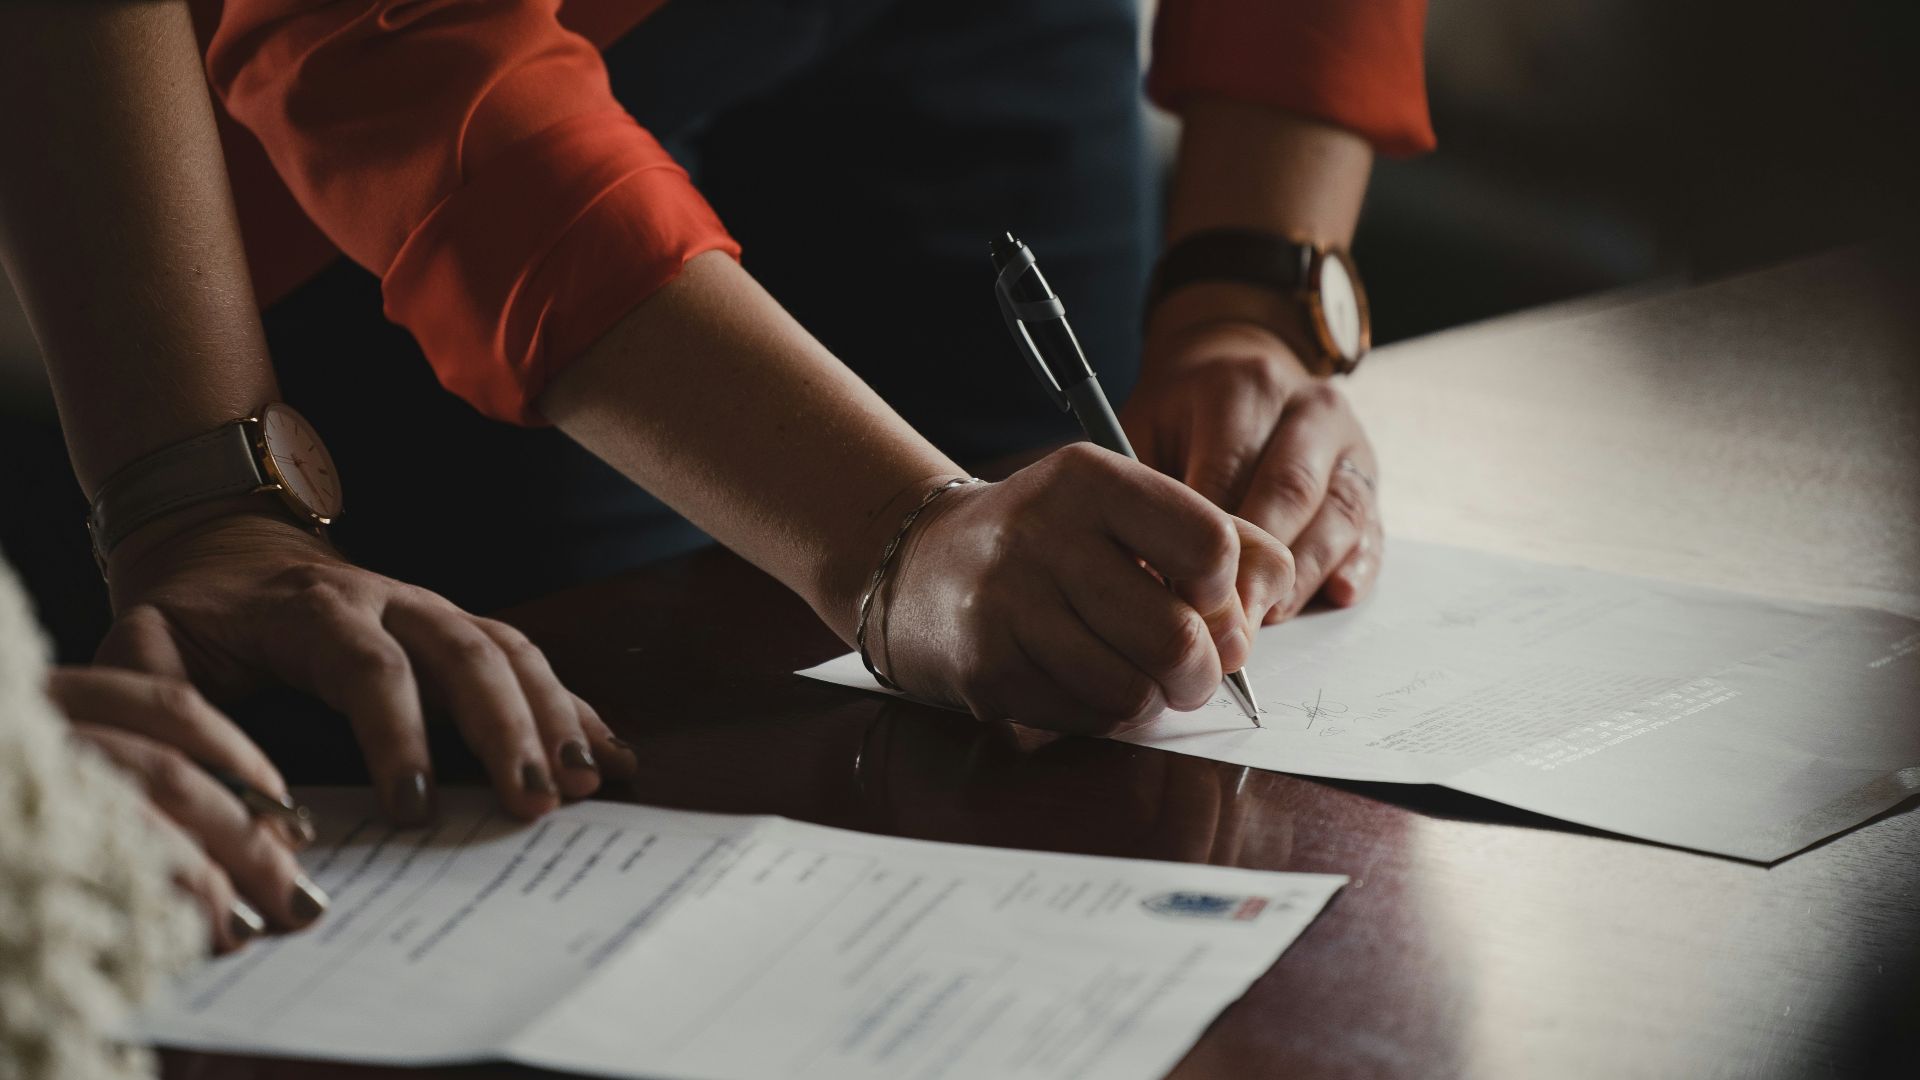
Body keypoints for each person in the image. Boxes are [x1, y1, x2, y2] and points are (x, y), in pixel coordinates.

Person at [0, 1, 1429, 824]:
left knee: (1067, 719)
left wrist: (1252, 283)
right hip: (451, 89)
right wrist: (891, 534)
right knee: (568, 787)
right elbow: (394, 33)